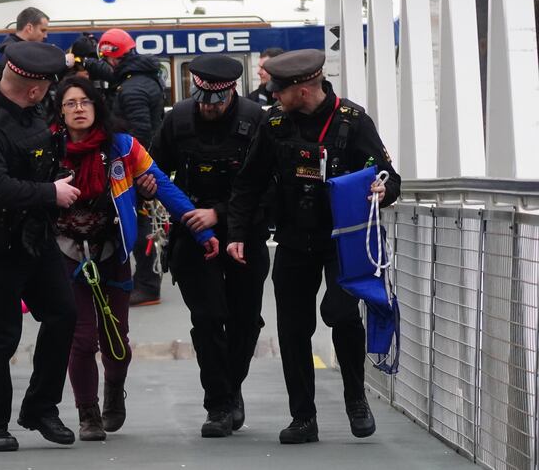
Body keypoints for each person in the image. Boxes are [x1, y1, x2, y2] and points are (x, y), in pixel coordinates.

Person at [226, 49, 401, 444]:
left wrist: (382, 190)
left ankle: (356, 397)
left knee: (340, 313)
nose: (273, 97)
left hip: (343, 241)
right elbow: (249, 183)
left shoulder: (352, 121)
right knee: (292, 330)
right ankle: (303, 417)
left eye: (279, 90)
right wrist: (236, 233)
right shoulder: (273, 124)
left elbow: (391, 178)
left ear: (302, 90)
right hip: (292, 239)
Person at [53, 76, 219, 441]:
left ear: (97, 106)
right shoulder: (47, 149)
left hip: (113, 253)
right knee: (80, 340)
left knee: (116, 337)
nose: (79, 109)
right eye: (70, 103)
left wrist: (201, 231)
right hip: (66, 255)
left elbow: (165, 187)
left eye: (85, 102)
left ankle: (114, 389)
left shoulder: (124, 148)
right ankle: (88, 413)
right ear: (60, 111)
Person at [0, 41, 80, 452]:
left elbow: (39, 159)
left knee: (63, 314)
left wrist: (56, 179)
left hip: (34, 239)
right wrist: (50, 193)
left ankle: (40, 407)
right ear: (35, 89)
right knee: (2, 335)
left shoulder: (31, 112)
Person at [149, 54, 270, 438]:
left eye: (215, 101)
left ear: (230, 92)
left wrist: (217, 213)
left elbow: (269, 186)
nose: (208, 107)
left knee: (245, 320)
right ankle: (218, 404)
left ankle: (231, 389)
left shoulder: (257, 121)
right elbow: (155, 168)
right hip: (191, 235)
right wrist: (150, 186)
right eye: (202, 99)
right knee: (206, 318)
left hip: (244, 231)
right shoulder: (178, 119)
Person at [68, 28, 167, 306]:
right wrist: (83, 62)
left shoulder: (132, 88)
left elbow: (140, 131)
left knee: (137, 221)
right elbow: (111, 72)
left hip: (132, 165)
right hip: (138, 162)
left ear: (114, 57)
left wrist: (129, 165)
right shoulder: (139, 75)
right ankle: (145, 281)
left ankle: (147, 286)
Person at [0, 7, 49, 82]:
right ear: (29, 28)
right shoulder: (17, 56)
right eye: (42, 30)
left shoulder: (11, 51)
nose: (45, 36)